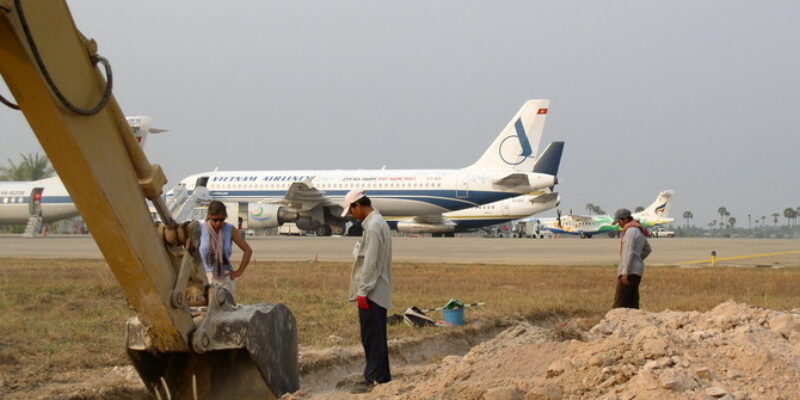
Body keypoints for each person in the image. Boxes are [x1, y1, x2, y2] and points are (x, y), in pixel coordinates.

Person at [341, 189, 392, 393]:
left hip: (372, 291)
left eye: (351, 211)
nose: (352, 215)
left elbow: (371, 263)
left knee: (372, 337)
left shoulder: (373, 226)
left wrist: (363, 291)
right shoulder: (377, 223)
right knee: (376, 335)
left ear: (358, 205)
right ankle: (382, 376)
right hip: (377, 289)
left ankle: (373, 379)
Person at [199, 200, 253, 296]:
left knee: (226, 309)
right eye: (215, 220)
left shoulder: (230, 229)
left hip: (225, 279)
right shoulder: (200, 229)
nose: (218, 223)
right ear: (209, 216)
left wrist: (239, 271)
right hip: (204, 277)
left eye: (222, 220)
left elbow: (248, 250)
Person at [612, 208, 652, 309]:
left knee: (619, 304)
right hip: (637, 270)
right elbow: (648, 249)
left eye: (619, 221)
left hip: (629, 271)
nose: (619, 224)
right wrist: (638, 259)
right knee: (632, 302)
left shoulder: (630, 231)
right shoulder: (639, 230)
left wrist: (625, 272)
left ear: (625, 219)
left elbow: (627, 252)